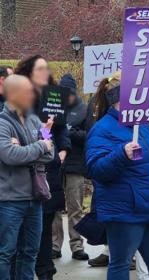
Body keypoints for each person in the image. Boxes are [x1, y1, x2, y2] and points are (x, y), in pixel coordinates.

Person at [86, 75, 149, 280]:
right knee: (120, 265)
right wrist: (121, 154)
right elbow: (97, 170)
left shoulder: (143, 126)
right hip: (126, 212)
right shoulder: (102, 129)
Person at [15, 55, 71, 280]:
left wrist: (63, 149)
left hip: (49, 170)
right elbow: (36, 130)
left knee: (45, 224)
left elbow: (59, 129)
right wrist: (46, 136)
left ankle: (45, 270)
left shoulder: (54, 96)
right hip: (26, 168)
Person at [0, 74, 54, 280]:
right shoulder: (2, 123)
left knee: (30, 251)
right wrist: (39, 146)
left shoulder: (35, 119)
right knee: (6, 253)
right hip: (9, 201)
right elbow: (10, 156)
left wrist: (28, 149)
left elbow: (51, 152)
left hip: (35, 199)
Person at [51, 74, 89, 261]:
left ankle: (77, 246)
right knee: (55, 207)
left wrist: (71, 134)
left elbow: (89, 135)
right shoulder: (53, 107)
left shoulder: (84, 109)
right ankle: (54, 245)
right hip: (55, 163)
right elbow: (43, 132)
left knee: (75, 207)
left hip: (75, 164)